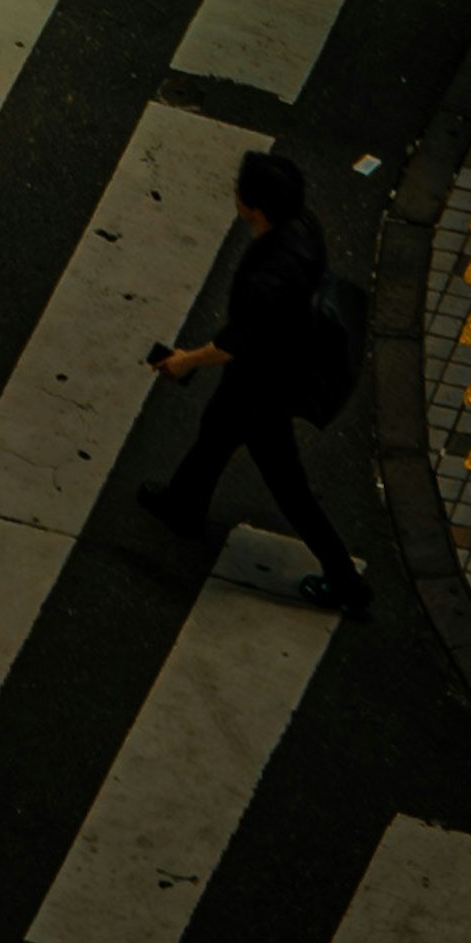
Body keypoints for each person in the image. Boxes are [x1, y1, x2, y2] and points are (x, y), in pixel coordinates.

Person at [140, 144, 371, 614]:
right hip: (270, 368)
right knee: (216, 428)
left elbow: (234, 343)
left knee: (288, 486)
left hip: (266, 385)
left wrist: (184, 361)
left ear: (254, 208)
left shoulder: (268, 280)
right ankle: (184, 504)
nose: (234, 195)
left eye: (239, 192)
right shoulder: (302, 226)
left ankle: (347, 585)